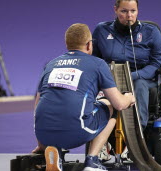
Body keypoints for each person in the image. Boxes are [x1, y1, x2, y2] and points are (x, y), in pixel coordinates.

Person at [32, 23, 135, 171]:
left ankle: (55, 152)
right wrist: (129, 98)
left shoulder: (51, 64)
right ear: (89, 45)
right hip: (77, 132)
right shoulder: (98, 64)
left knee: (56, 107)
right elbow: (118, 103)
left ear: (67, 44)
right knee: (110, 106)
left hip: (43, 133)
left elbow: (37, 107)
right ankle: (92, 161)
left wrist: (42, 142)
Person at [92, 0, 161, 160]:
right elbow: (94, 58)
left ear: (138, 11)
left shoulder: (151, 31)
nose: (129, 16)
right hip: (109, 77)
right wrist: (106, 76)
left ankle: (136, 140)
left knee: (138, 85)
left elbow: (157, 62)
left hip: (141, 78)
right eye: (124, 11)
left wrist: (135, 76)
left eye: (133, 11)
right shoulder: (101, 30)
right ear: (116, 10)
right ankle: (101, 141)